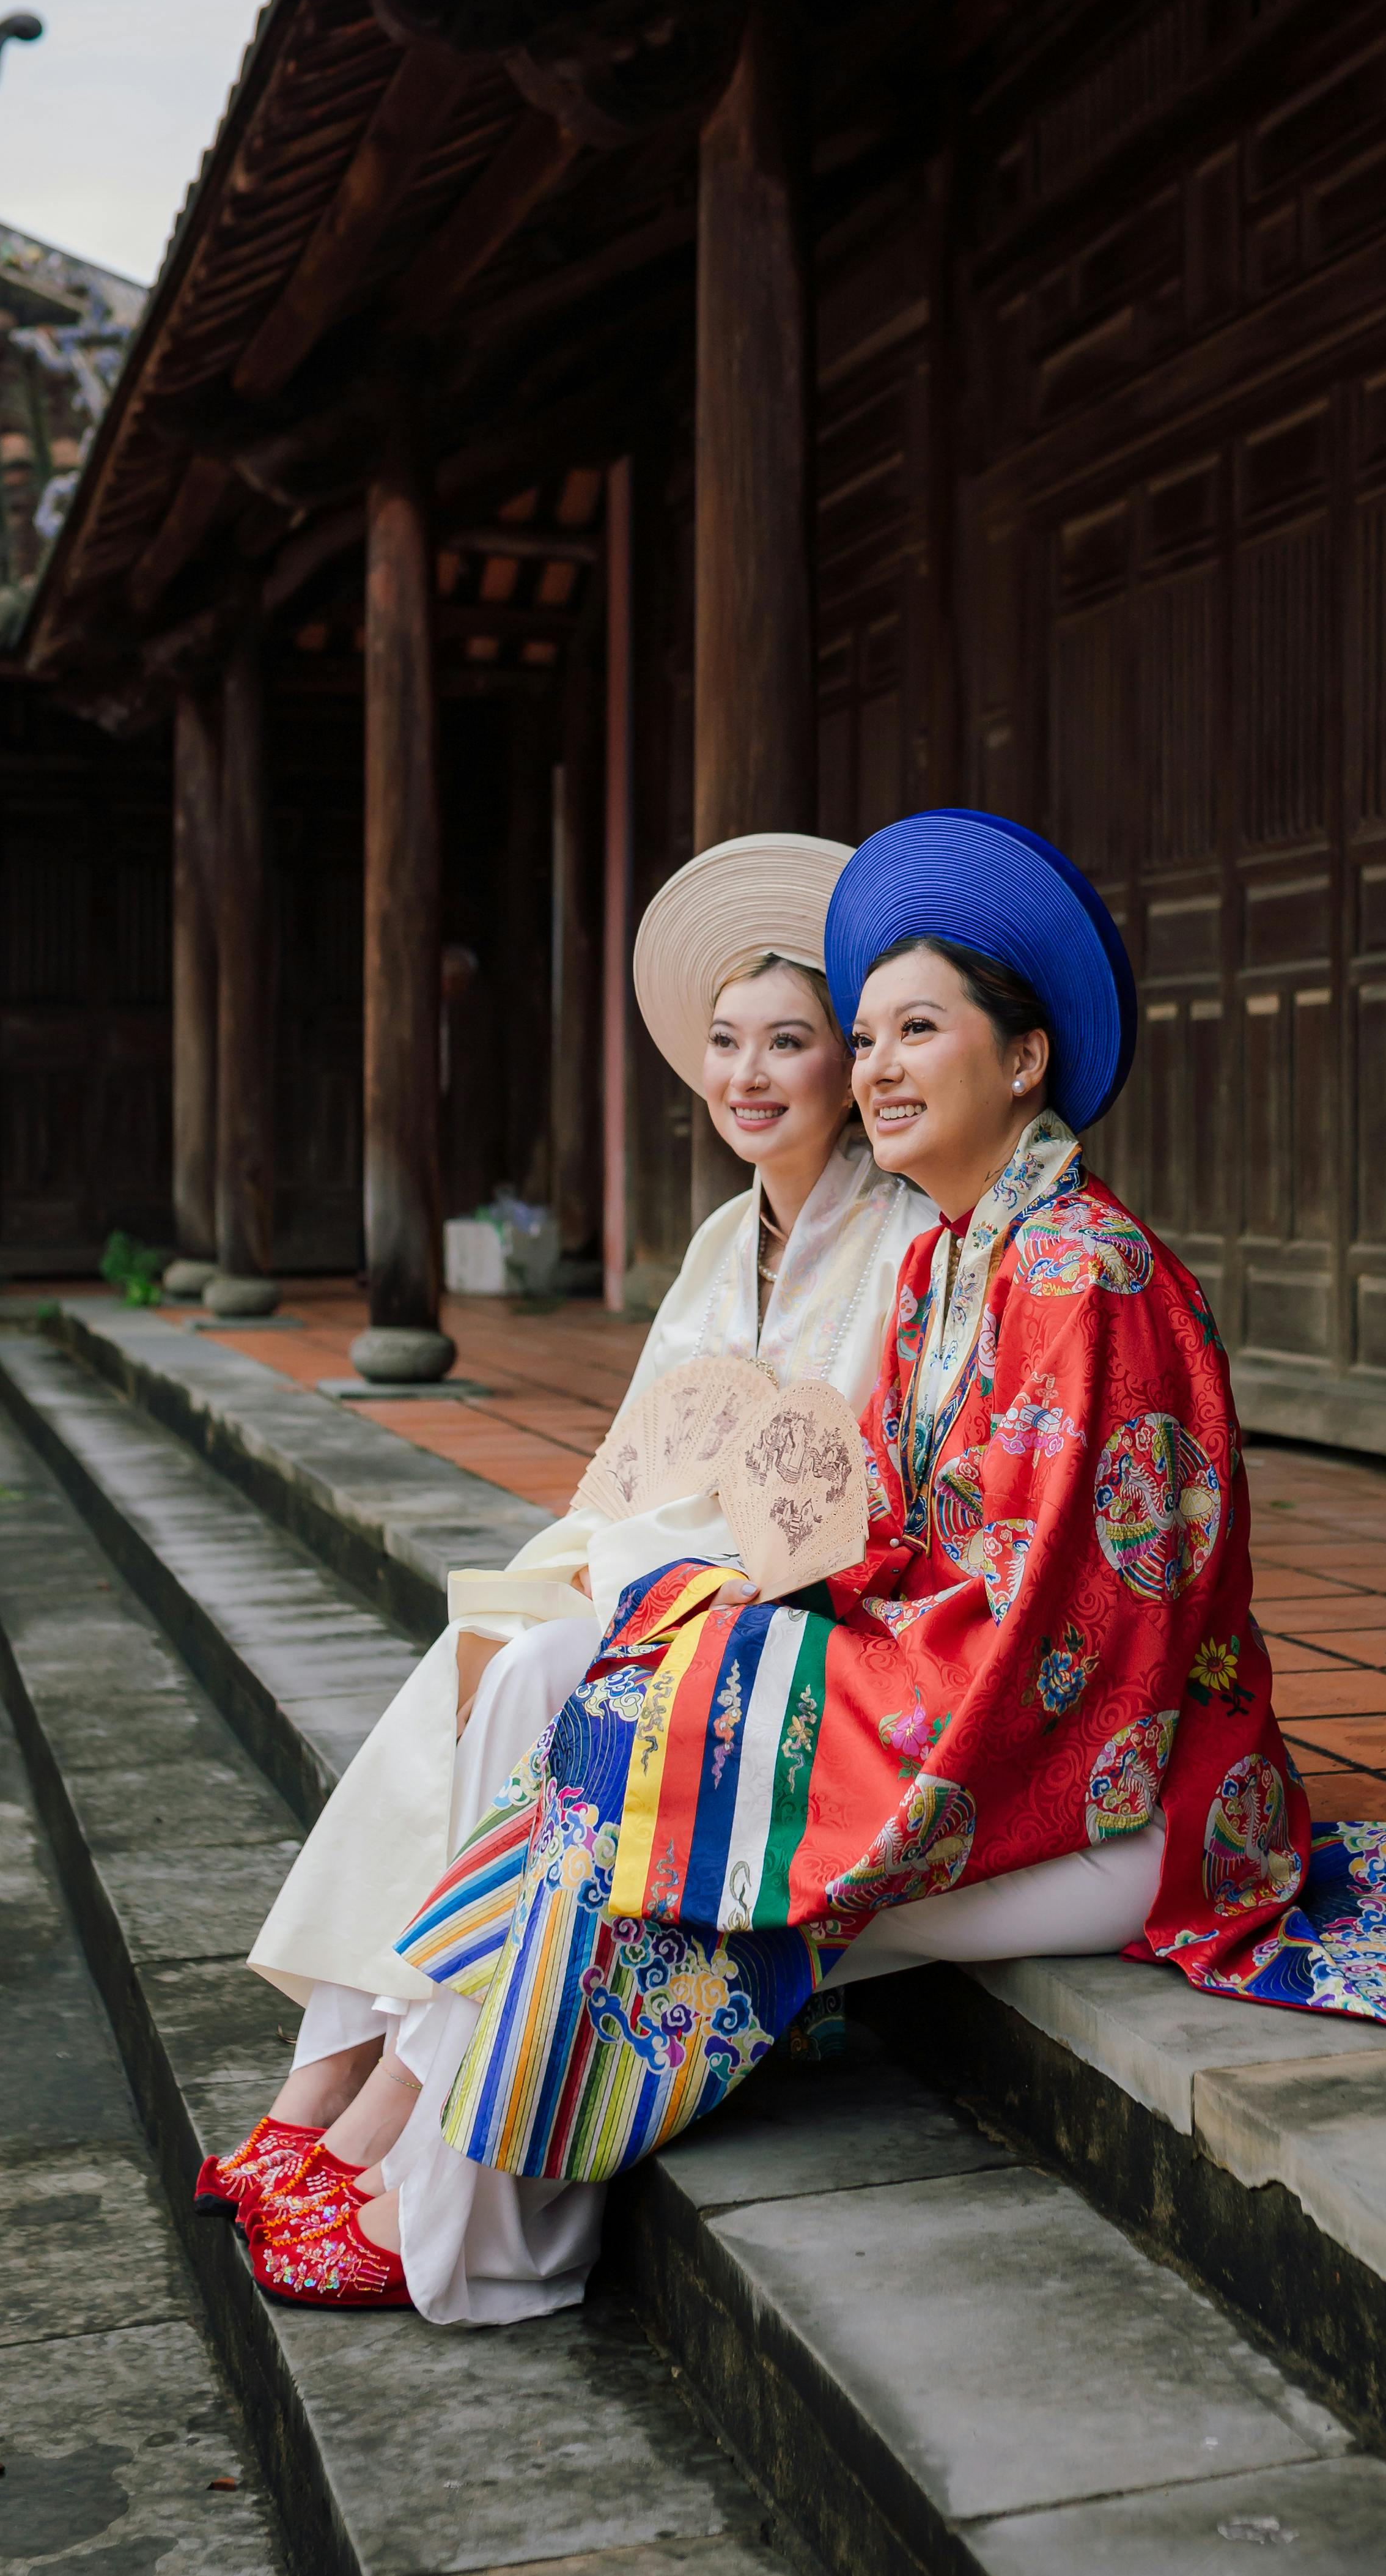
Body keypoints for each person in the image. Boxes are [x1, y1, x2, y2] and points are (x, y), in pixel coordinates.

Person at [259, 810, 1386, 2314]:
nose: (879, 1067)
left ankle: (466, 2236)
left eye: (916, 1032)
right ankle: (441, 2192)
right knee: (632, 1734)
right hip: (977, 1728)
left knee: (655, 1803)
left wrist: (763, 1731)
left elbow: (1058, 1641)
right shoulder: (960, 1262)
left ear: (1023, 1061)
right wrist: (723, 1633)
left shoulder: (1084, 1275)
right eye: (871, 1034)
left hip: (1117, 1791)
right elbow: (892, 1538)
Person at [197, 830, 932, 2319]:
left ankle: (391, 2115)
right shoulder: (729, 1237)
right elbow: (647, 1458)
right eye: (726, 1044)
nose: (748, 1075)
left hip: (785, 1610)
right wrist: (596, 1560)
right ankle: (328, 2076)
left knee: (547, 1674)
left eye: (788, 1042)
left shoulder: (908, 1240)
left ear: (845, 1065)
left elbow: (868, 1491)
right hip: (663, 1570)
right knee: (485, 1644)